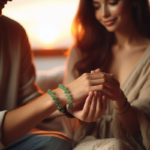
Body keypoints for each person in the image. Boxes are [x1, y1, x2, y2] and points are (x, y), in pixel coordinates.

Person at [0, 0, 109, 149]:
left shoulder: (14, 32)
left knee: (57, 143)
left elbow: (27, 102)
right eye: (96, 6)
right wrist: (65, 94)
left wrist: (68, 106)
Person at [63, 0, 150, 149]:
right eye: (96, 6)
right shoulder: (81, 52)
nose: (104, 13)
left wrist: (119, 98)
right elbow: (68, 113)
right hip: (87, 142)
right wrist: (73, 108)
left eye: (112, 2)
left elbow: (138, 129)